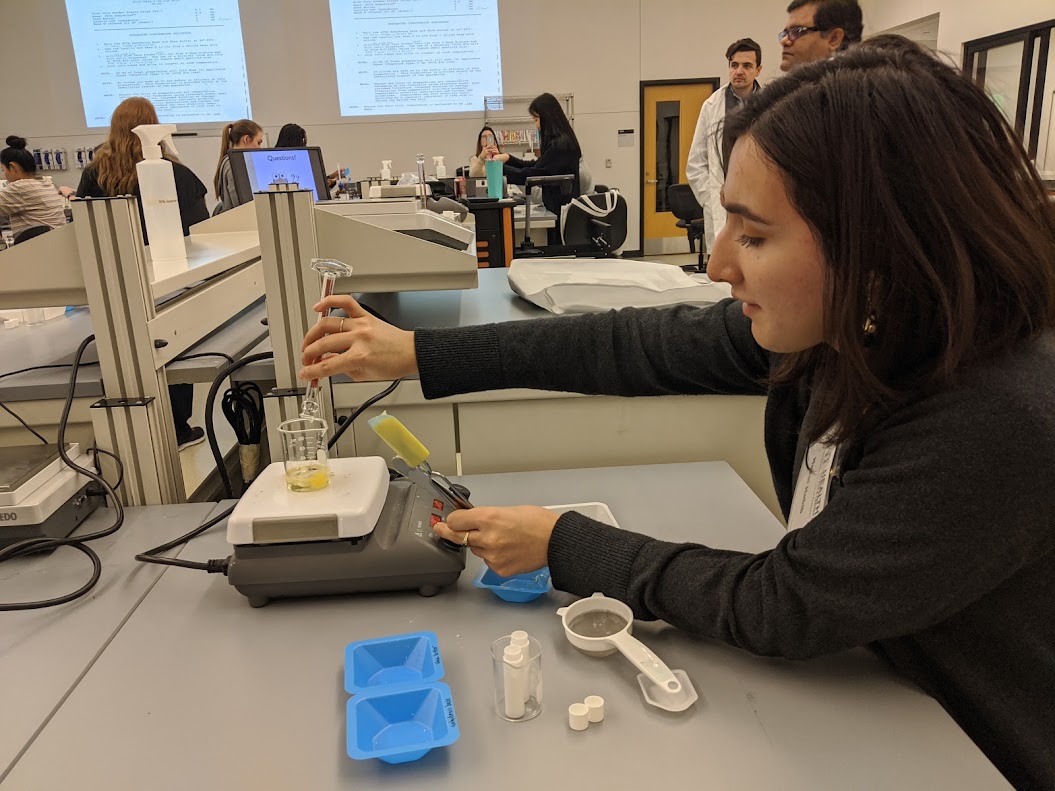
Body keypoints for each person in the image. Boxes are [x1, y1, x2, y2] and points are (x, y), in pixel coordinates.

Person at [300, 39, 1055, 788]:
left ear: (881, 249)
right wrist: (419, 353)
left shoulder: (991, 417)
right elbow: (631, 344)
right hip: (876, 686)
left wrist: (562, 541)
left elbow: (783, 603)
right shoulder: (856, 324)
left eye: (753, 235)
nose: (719, 264)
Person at [76, 97, 210, 450]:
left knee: (124, 352)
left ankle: (135, 434)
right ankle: (178, 429)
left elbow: (81, 228)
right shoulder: (176, 173)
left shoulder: (93, 175)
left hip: (113, 282)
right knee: (175, 349)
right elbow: (202, 231)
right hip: (172, 280)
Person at [686, 38, 763, 254]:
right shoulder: (712, 106)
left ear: (758, 70)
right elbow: (695, 163)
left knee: (757, 264)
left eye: (747, 66)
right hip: (723, 202)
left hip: (759, 197)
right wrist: (710, 199)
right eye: (734, 65)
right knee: (725, 269)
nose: (739, 71)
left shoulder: (772, 105)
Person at [486, 93, 582, 222]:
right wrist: (508, 158)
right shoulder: (560, 142)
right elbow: (536, 166)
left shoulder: (560, 146)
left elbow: (534, 174)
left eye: (536, 119)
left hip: (561, 214)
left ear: (547, 118)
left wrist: (498, 169)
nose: (537, 126)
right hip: (557, 209)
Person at [0, 136, 67, 235]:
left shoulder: (20, 187)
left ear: (12, 167)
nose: (4, 174)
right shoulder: (46, 183)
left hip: (36, 246)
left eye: (3, 170)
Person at [779, 0, 862, 72]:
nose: (784, 41)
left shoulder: (855, 88)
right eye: (786, 33)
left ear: (834, 39)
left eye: (797, 31)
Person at [212, 119, 264, 213]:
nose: (259, 148)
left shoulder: (231, 162)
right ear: (247, 139)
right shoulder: (234, 164)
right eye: (258, 142)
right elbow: (239, 203)